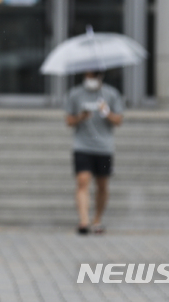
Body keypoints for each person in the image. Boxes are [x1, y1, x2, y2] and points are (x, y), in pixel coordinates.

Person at [65, 71, 123, 235]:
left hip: (104, 147)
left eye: (95, 75)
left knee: (102, 185)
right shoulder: (75, 94)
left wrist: (106, 113)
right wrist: (80, 117)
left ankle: (97, 219)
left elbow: (119, 120)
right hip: (82, 146)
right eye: (89, 75)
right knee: (82, 181)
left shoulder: (111, 94)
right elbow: (68, 120)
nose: (91, 79)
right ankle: (84, 221)